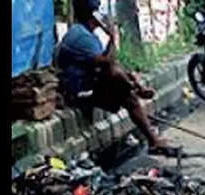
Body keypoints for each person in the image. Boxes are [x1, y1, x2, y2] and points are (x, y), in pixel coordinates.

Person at [56, 0, 175, 154]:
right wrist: (112, 37)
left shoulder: (86, 34)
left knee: (127, 93)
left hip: (89, 83)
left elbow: (108, 63)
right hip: (78, 92)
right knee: (119, 80)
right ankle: (151, 133)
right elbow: (107, 64)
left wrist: (131, 79)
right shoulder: (80, 37)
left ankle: (153, 139)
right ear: (94, 15)